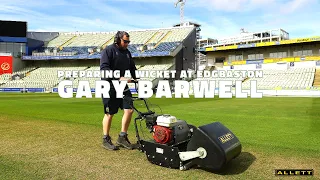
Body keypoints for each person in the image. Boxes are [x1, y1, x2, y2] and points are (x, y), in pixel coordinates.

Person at [100, 31, 137, 151]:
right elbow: (104, 69)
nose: (127, 44)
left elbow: (132, 67)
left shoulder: (127, 52)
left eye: (128, 42)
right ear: (118, 40)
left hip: (122, 85)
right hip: (109, 85)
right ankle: (105, 139)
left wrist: (137, 79)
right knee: (110, 113)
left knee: (129, 110)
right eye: (125, 41)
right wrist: (120, 78)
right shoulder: (108, 50)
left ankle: (122, 137)